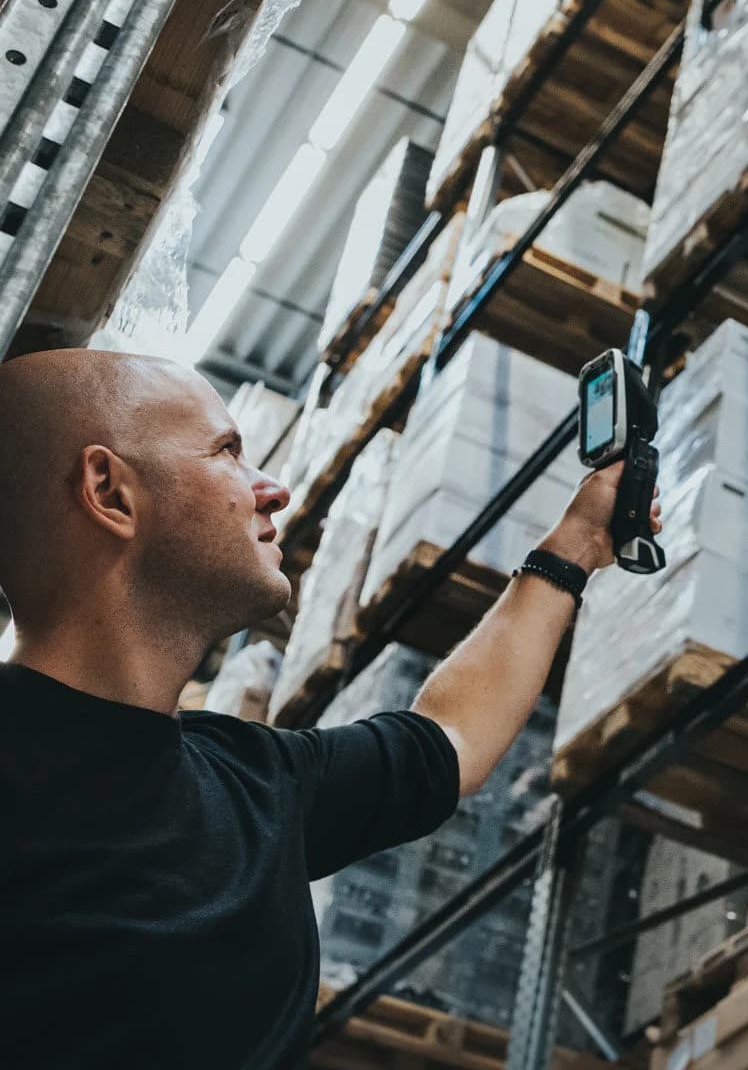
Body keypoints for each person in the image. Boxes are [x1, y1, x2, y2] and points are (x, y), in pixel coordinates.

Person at [0, 349, 655, 1068]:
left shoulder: (250, 781)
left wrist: (576, 545)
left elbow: (449, 737)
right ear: (111, 491)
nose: (272, 490)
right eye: (228, 452)